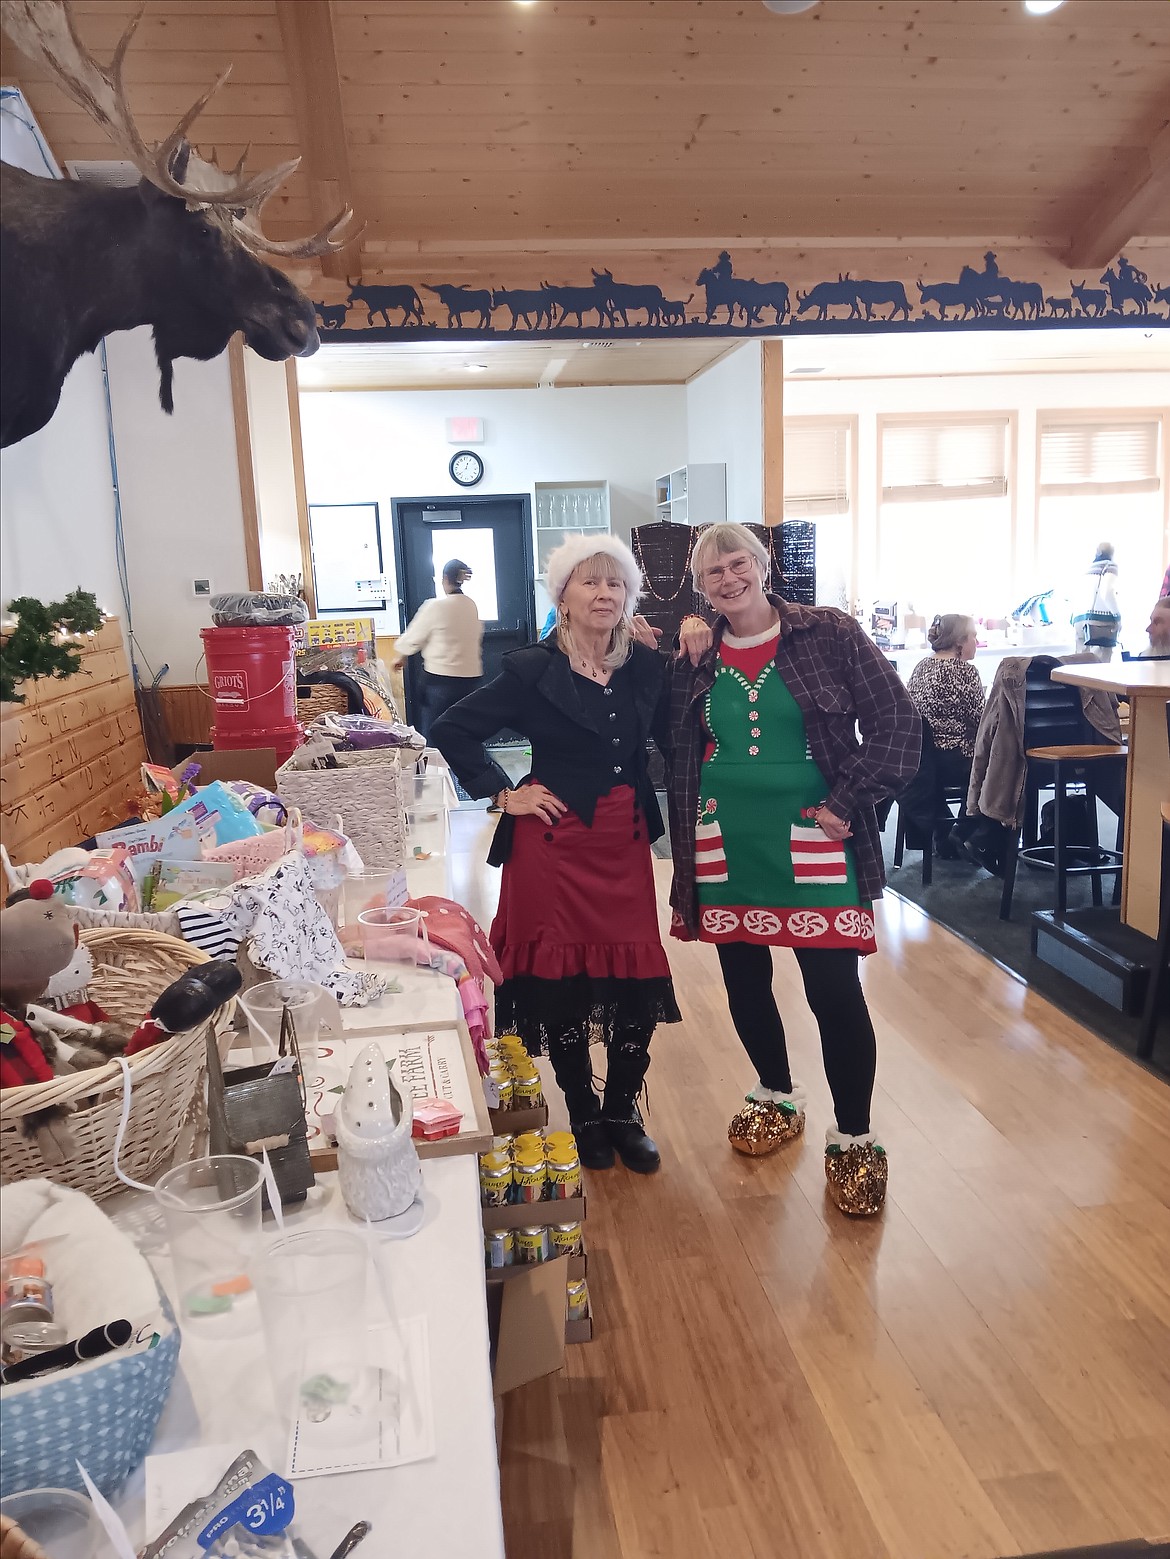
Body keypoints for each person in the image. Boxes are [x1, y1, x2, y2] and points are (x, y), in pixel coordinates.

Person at [665, 522, 920, 1216]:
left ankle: (856, 1135)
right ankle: (777, 1091)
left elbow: (898, 723)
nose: (728, 579)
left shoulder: (829, 633)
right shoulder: (697, 652)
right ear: (699, 585)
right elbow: (662, 726)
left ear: (764, 563)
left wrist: (846, 802)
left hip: (816, 833)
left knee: (834, 991)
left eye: (737, 563)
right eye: (712, 572)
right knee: (744, 979)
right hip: (725, 841)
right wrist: (685, 629)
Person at [432, 536, 682, 1175]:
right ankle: (585, 1110)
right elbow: (451, 729)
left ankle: (624, 1109)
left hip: (622, 839)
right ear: (562, 596)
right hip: (553, 844)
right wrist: (502, 793)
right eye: (589, 583)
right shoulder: (531, 669)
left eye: (615, 584)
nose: (604, 594)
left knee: (633, 974)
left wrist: (696, 648)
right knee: (564, 979)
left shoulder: (645, 666)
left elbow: (686, 727)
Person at [900, 613, 986, 858]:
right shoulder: (965, 672)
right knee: (1001, 770)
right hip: (954, 758)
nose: (977, 643)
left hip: (919, 760)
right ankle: (964, 832)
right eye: (973, 637)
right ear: (959, 641)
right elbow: (980, 722)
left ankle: (945, 834)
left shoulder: (922, 666)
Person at [392, 559, 484, 738]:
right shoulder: (471, 605)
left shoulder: (436, 606)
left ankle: (438, 766)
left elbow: (414, 636)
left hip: (440, 682)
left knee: (436, 736)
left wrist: (401, 655)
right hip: (471, 682)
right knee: (464, 734)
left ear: (445, 579)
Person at [1071, 541, 1121, 657]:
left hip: (1078, 619)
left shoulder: (1086, 569)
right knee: (1099, 666)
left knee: (1079, 662)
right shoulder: (1110, 566)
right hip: (1099, 620)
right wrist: (1117, 616)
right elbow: (1107, 591)